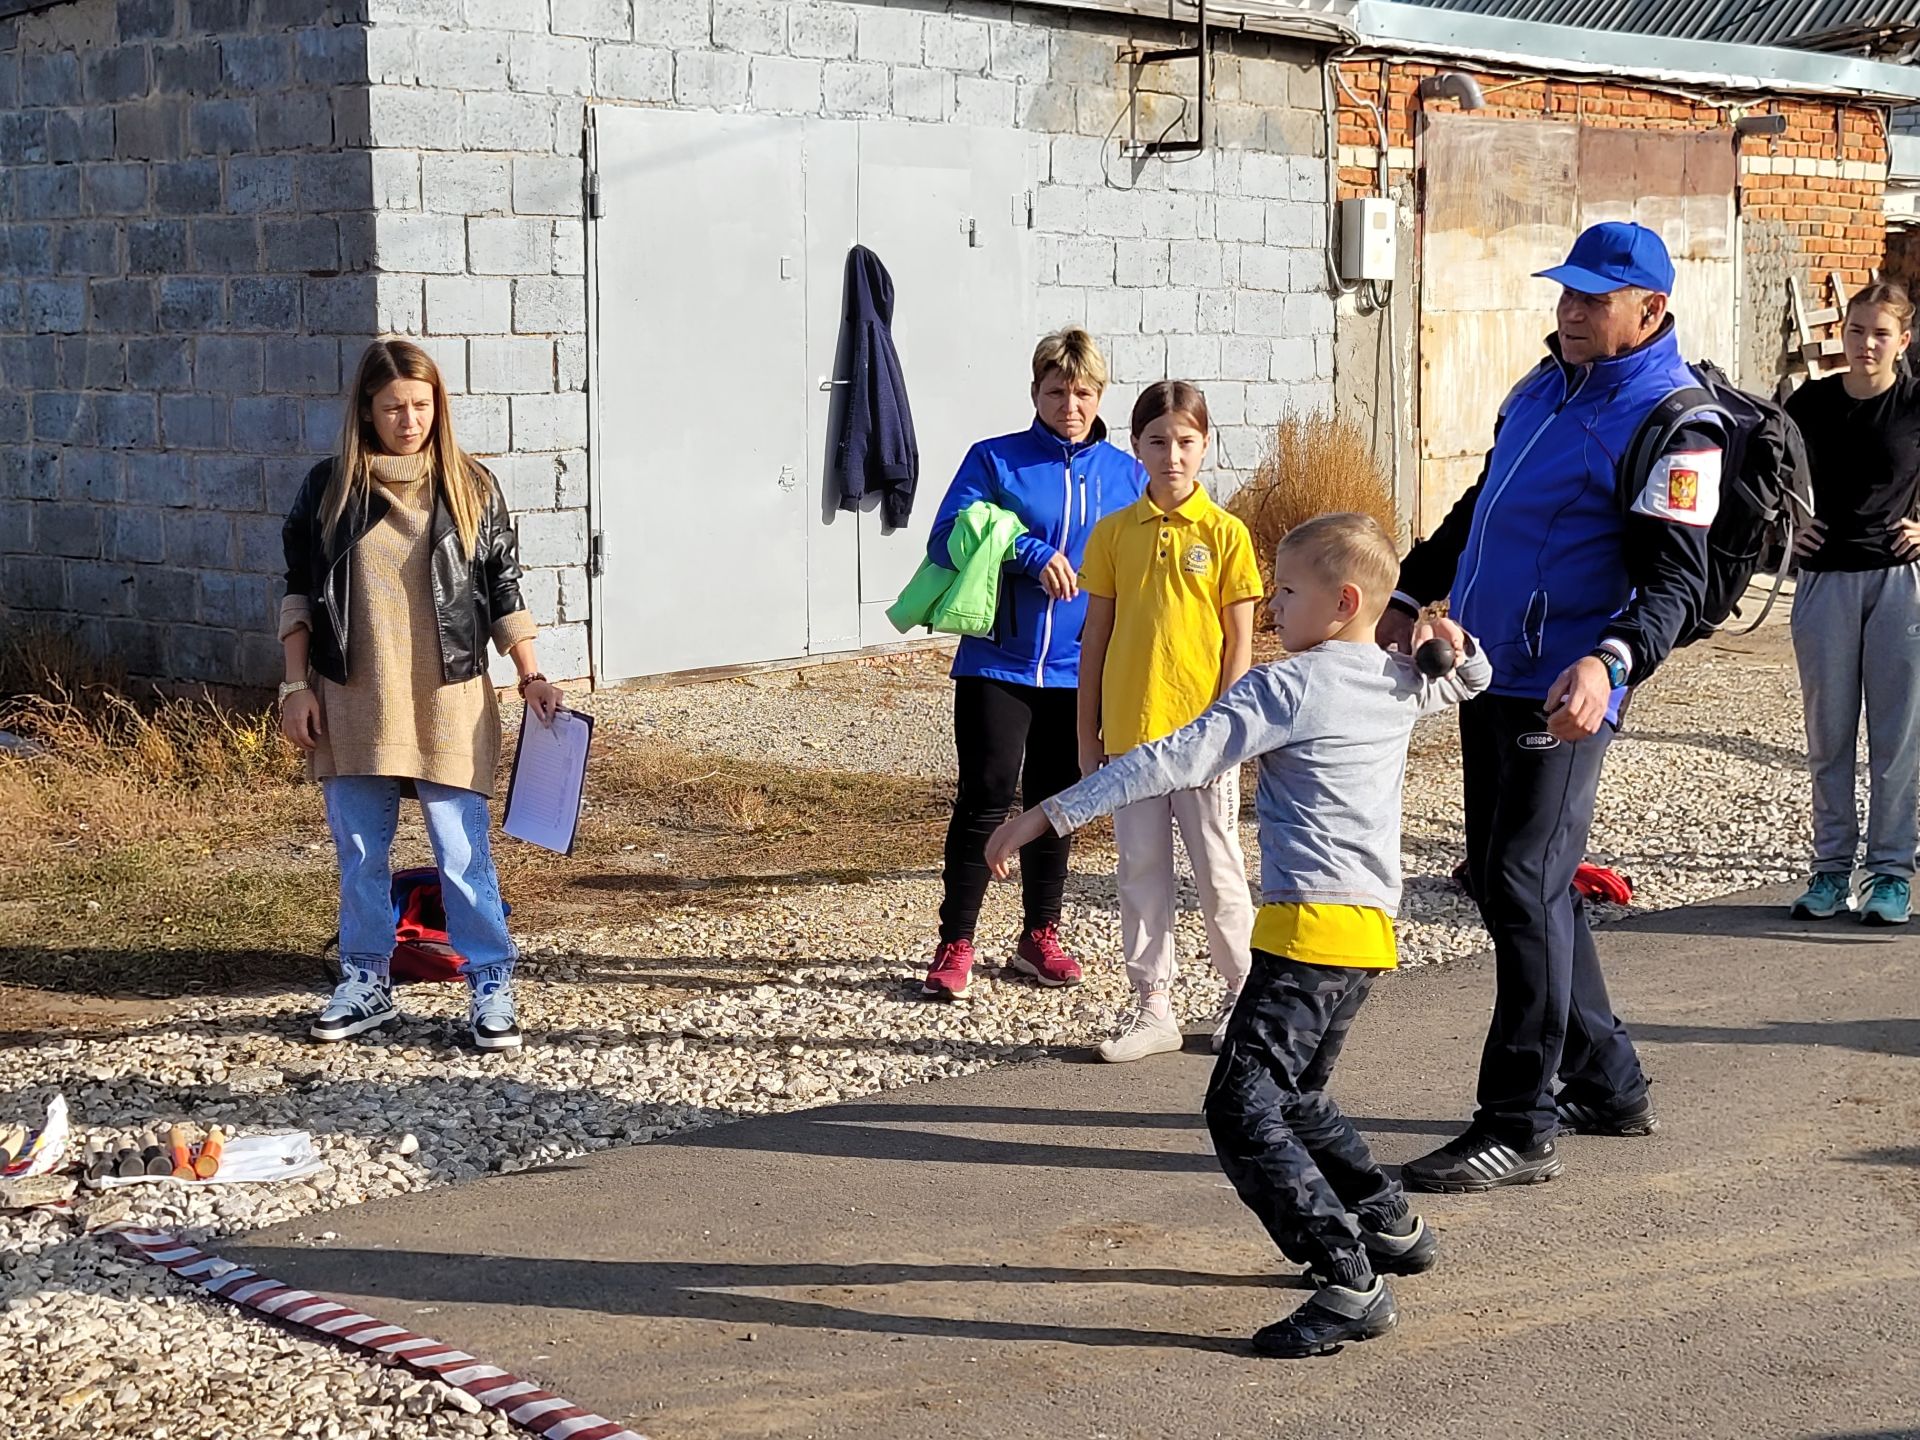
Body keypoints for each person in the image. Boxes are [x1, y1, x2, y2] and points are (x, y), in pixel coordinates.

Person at [986, 514, 1490, 1356]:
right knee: (1295, 1098)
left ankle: (1346, 1277)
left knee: (1239, 1107)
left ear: (1344, 602)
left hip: (1307, 935)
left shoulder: (1286, 688)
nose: (1273, 610)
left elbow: (1170, 757)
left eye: (1287, 593)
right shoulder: (1399, 678)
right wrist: (1457, 644)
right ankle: (1389, 1225)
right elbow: (1468, 679)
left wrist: (1047, 814)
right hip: (1365, 936)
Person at [1383, 222, 1724, 1188]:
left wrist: (1609, 664)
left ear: (1650, 309)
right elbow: (1481, 505)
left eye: (1593, 298)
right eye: (1565, 293)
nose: (1569, 310)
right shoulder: (1541, 387)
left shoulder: (1674, 423)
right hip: (1492, 672)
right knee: (1507, 880)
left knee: (1525, 885)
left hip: (1569, 690)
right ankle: (1609, 1083)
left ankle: (1517, 1121)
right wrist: (1413, 589)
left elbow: (1675, 584)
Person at [278, 339, 564, 1052]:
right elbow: (300, 594)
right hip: (352, 695)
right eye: (393, 407)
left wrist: (531, 674)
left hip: (449, 697)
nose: (410, 420)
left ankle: (491, 980)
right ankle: (367, 979)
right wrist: (293, 686)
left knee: (460, 851)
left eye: (422, 405)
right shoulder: (329, 489)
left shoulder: (471, 485)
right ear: (367, 412)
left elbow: (502, 588)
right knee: (359, 850)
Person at [919, 328, 1147, 1001]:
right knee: (985, 798)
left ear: (1099, 395)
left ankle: (1039, 935)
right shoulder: (995, 461)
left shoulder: (1125, 474)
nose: (1068, 404)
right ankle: (956, 941)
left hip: (1081, 669)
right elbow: (945, 538)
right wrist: (1025, 550)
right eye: (1056, 391)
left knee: (1058, 801)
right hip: (999, 663)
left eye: (1082, 392)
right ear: (1036, 392)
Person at [1076, 381, 1262, 1062]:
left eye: (1185, 442)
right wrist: (1086, 733)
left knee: (1220, 872)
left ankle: (1245, 994)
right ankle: (1153, 1003)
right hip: (1132, 738)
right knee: (1141, 867)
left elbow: (1238, 641)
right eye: (1157, 441)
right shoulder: (1114, 534)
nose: (1172, 455)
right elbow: (1094, 637)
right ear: (1136, 448)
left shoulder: (1226, 534)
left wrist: (1230, 730)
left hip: (1205, 741)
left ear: (1205, 445)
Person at [1786, 282, 1920, 927]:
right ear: (1842, 333)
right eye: (1857, 330)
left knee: (1896, 740)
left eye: (1881, 334)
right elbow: (1760, 474)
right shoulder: (1809, 401)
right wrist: (1784, 527)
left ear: (1904, 340)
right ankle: (1830, 871)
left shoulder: (1917, 402)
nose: (1866, 344)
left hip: (1900, 584)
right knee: (1828, 737)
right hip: (1825, 582)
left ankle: (1891, 874)